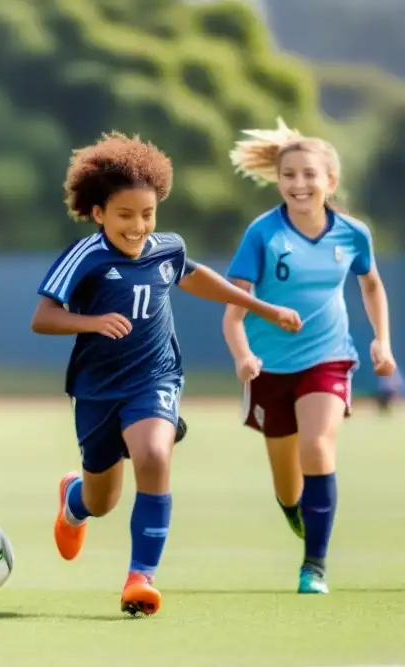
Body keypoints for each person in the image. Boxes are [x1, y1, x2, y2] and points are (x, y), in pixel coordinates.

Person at [31, 132, 302, 616]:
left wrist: (262, 307)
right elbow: (43, 317)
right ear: (98, 214)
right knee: (102, 500)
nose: (138, 226)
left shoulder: (167, 249)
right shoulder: (85, 257)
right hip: (97, 390)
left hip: (155, 378)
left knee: (155, 454)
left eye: (148, 214)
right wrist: (91, 321)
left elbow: (197, 277)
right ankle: (74, 501)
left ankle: (141, 579)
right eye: (125, 215)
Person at [223, 119, 397, 594]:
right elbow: (233, 313)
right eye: (289, 175)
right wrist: (243, 358)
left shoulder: (353, 234)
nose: (298, 184)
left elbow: (372, 285)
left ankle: (314, 566)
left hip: (328, 357)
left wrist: (382, 340)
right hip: (268, 366)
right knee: (288, 485)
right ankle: (295, 509)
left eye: (308, 175)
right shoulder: (262, 234)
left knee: (317, 447)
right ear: (278, 181)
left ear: (330, 182)